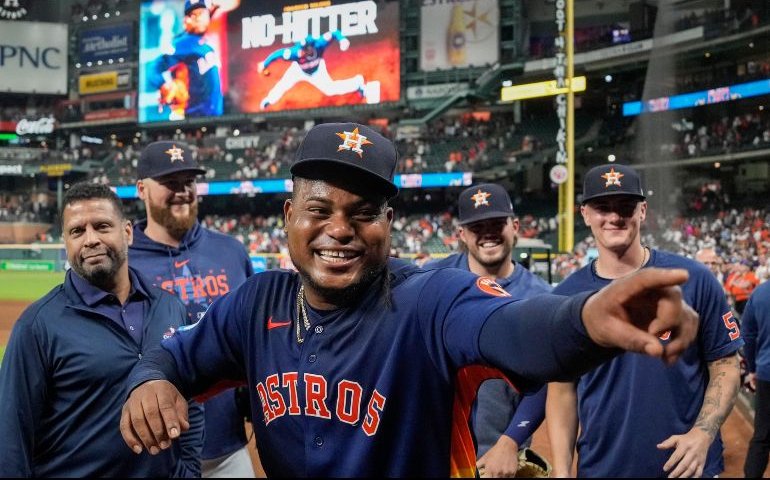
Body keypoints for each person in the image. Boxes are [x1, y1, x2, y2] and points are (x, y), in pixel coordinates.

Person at [119, 123, 699, 477]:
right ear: (290, 218)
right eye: (320, 210)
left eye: (364, 213)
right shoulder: (256, 301)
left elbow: (519, 329)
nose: (340, 229)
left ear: (389, 223)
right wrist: (150, 377)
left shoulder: (431, 297)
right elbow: (175, 355)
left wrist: (585, 319)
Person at [547, 163, 743, 478]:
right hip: (603, 467)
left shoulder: (694, 278)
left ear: (643, 211)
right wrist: (560, 471)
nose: (614, 217)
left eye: (626, 206)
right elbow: (561, 391)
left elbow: (725, 365)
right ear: (585, 214)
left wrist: (703, 433)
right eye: (602, 207)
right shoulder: (565, 297)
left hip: (687, 469)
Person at [0, 182, 203, 477]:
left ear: (128, 232)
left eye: (102, 226)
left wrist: (189, 470)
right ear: (66, 242)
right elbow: (11, 437)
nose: (90, 239)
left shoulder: (169, 307)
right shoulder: (37, 325)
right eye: (77, 231)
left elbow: (191, 398)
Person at [129, 141, 256, 477]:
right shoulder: (124, 262)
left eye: (189, 182)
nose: (183, 192)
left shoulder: (230, 251)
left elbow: (252, 333)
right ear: (141, 188)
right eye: (170, 183)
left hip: (228, 447)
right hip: (153, 453)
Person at [423, 182, 551, 477]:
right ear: (462, 235)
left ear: (515, 226)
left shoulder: (540, 297)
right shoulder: (431, 279)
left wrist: (511, 441)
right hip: (433, 449)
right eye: (477, 226)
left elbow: (544, 382)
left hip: (496, 457)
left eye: (497, 223)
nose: (488, 233)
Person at [147, 0, 223, 120]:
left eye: (201, 13)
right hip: (193, 117)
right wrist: (162, 84)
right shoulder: (181, 43)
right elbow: (153, 68)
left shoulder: (204, 43)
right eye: (193, 15)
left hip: (215, 116)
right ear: (186, 20)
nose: (198, 18)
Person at [258, 31, 371, 110]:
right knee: (283, 84)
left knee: (330, 89)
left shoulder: (319, 44)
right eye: (301, 49)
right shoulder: (294, 53)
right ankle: (269, 100)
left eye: (304, 49)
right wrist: (265, 64)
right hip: (298, 70)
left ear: (311, 47)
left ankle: (357, 83)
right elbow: (277, 54)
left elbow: (334, 32)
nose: (301, 52)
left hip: (317, 70)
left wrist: (342, 39)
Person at [742, 279, 770, 477]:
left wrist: (752, 369)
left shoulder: (759, 293)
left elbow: (748, 336)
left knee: (762, 435)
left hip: (766, 371)